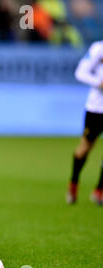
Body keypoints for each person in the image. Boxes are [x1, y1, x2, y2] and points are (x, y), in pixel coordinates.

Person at [66, 40, 102, 206]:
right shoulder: (98, 49)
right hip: (96, 108)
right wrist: (98, 83)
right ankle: (74, 183)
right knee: (85, 148)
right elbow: (80, 72)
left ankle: (99, 191)